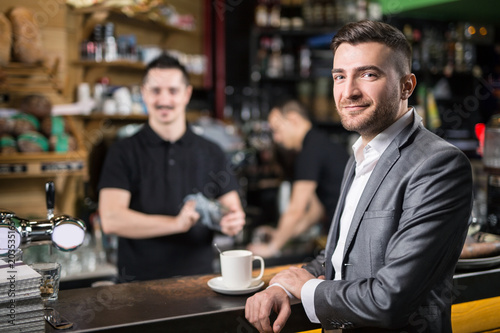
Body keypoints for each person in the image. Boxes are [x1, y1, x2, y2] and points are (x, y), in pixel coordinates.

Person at [245, 20, 473, 332]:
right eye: (340, 76)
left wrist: (306, 289)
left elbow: (389, 299)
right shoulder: (359, 157)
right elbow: (338, 256)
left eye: (368, 74)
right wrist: (282, 286)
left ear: (407, 85)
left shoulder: (439, 164)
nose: (349, 91)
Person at [98, 53, 245, 281]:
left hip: (199, 285)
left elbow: (232, 210)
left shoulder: (211, 151)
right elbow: (111, 219)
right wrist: (176, 224)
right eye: (155, 91)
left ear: (187, 94)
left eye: (173, 91)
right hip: (137, 288)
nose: (164, 99)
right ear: (144, 94)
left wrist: (231, 221)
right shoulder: (123, 151)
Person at [248, 100, 348, 258]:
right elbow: (315, 212)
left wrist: (271, 248)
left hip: (347, 238)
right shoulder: (319, 143)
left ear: (293, 119)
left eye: (277, 130)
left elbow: (296, 210)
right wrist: (280, 234)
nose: (277, 138)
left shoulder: (309, 152)